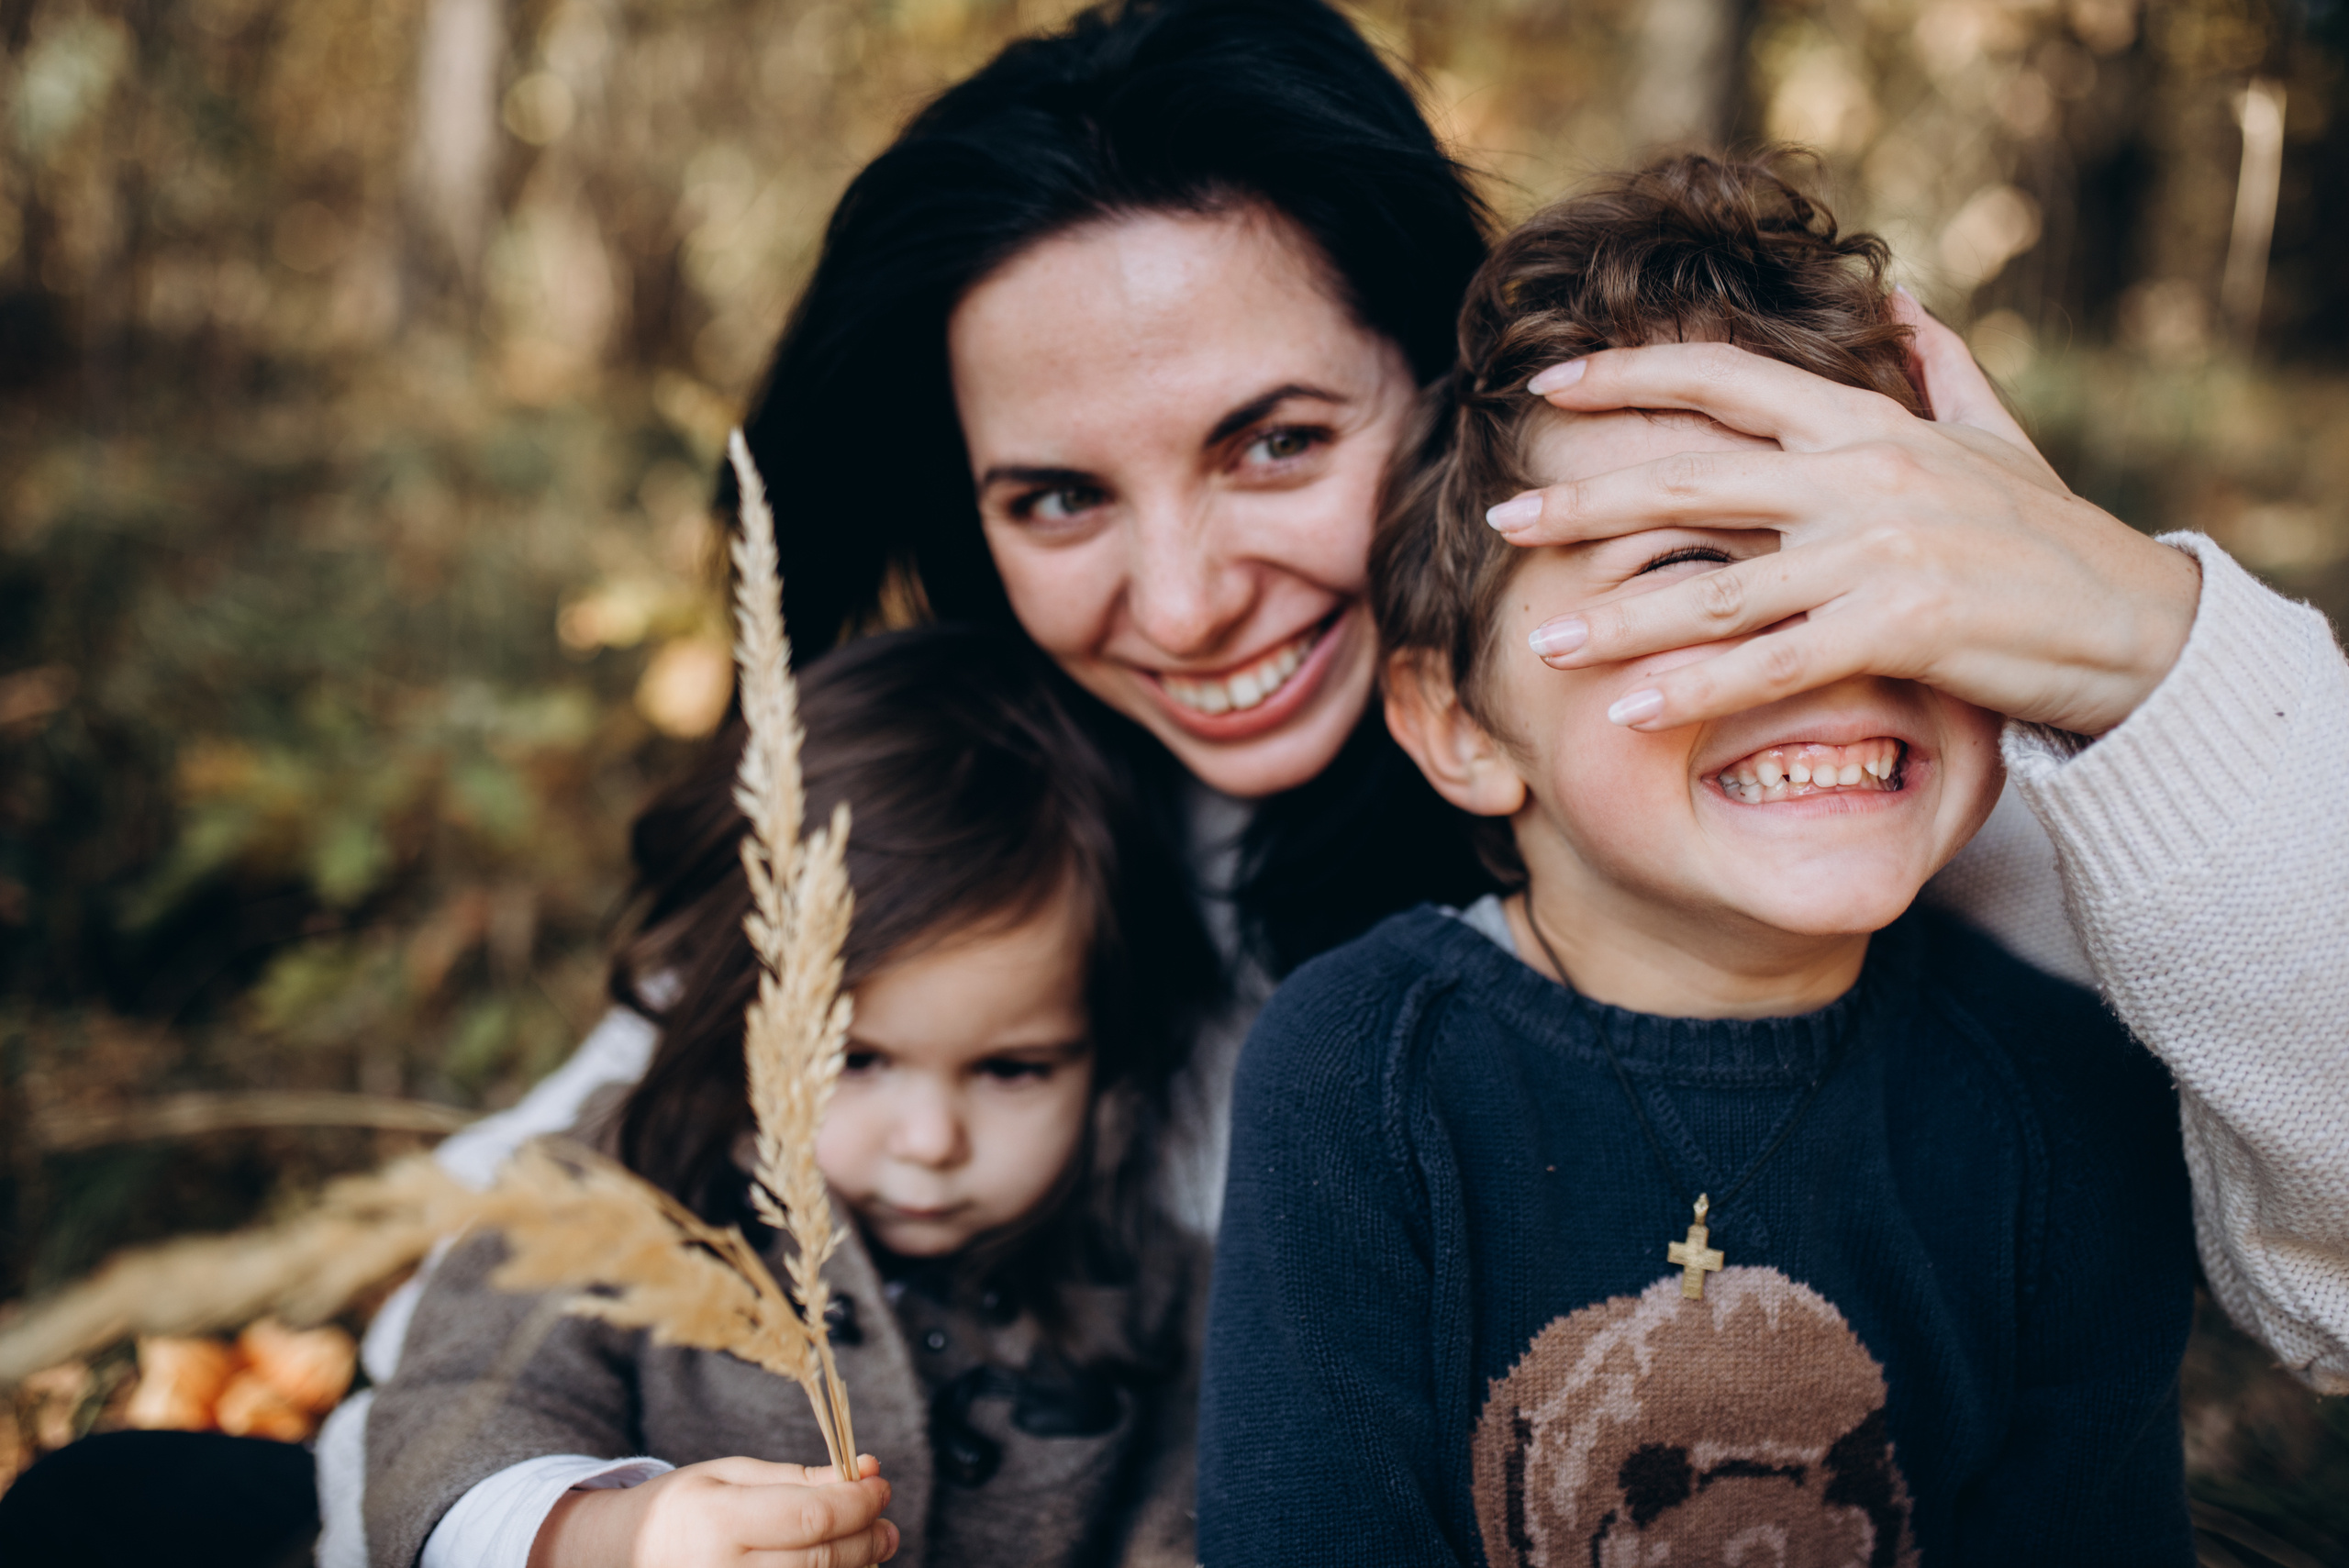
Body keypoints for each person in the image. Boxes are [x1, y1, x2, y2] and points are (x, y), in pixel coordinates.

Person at [317, 0, 2346, 1556]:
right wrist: (562, 1516)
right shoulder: (995, 809)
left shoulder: (1816, 786)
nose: (1185, 596)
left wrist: (2143, 649)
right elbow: (514, 1267)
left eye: (1276, 438)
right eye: (1053, 495)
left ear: (1455, 392)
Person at [1200, 154, 2199, 1564]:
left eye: (1883, 561)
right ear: (1462, 724)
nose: (1824, 641)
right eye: (1689, 573)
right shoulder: (1361, 1074)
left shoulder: (2068, 1099)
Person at [359, 626, 1219, 1568]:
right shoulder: (621, 1182)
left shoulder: (1146, 1271)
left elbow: (1202, 1484)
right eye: (852, 1058)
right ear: (733, 1007)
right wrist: (623, 1534)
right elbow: (448, 1423)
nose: (930, 1139)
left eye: (1013, 1069)